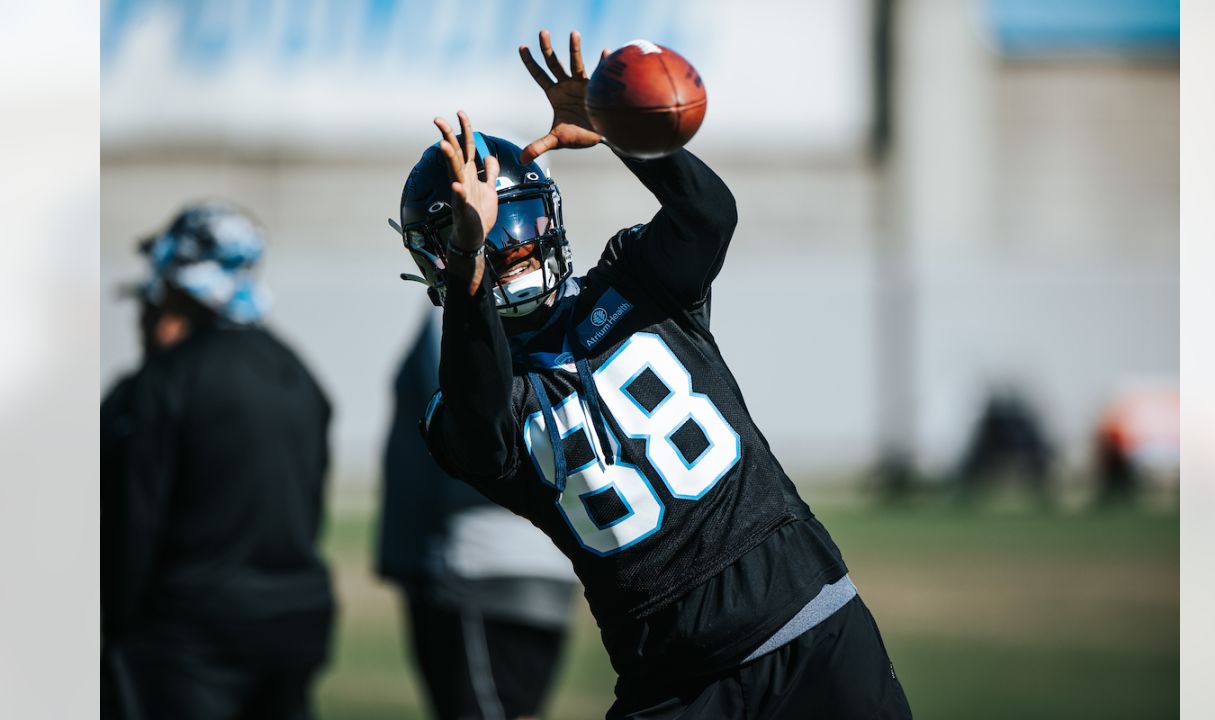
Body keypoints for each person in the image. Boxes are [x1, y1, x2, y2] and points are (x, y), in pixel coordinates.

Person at [398, 30, 913, 719]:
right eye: (488, 233)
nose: (511, 246)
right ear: (442, 260)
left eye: (517, 222)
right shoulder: (461, 406)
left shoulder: (634, 281)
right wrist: (469, 263)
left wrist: (622, 132)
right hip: (673, 675)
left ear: (550, 214)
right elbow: (481, 409)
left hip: (806, 618)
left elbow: (708, 216)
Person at [101, 202, 335, 720]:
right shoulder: (296, 374)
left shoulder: (161, 386)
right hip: (294, 623)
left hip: (191, 638)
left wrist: (113, 626)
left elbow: (131, 526)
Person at [376, 310, 578, 720]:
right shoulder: (559, 304)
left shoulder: (460, 309)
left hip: (479, 566)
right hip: (549, 558)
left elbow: (469, 426)